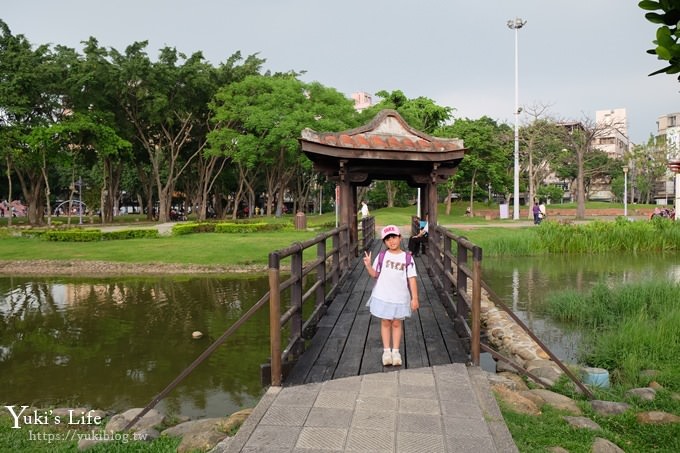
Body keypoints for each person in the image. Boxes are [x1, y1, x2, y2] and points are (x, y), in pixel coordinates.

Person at [363, 225, 419, 366]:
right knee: (386, 322)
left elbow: (412, 279)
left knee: (396, 323)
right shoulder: (382, 256)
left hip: (400, 297)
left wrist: (415, 298)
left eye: (394, 237)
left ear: (400, 238)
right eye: (387, 239)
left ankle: (396, 351)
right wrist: (369, 266)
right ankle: (386, 351)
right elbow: (375, 274)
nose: (391, 241)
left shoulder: (407, 258)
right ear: (384, 242)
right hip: (383, 295)